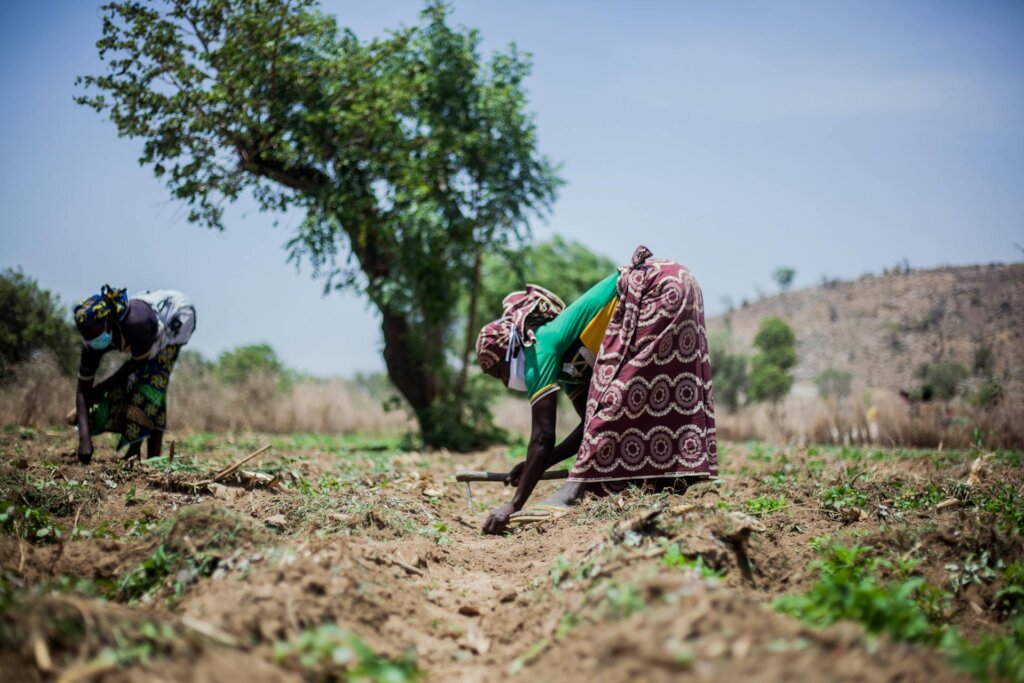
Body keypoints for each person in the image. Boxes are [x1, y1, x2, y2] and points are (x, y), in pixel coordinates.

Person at [475, 246, 716, 534]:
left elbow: (542, 437)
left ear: (509, 351)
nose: (505, 383)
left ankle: (572, 492)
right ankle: (667, 481)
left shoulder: (539, 348)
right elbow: (589, 431)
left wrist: (514, 504)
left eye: (499, 373)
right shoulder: (569, 366)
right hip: (678, 281)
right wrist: (533, 466)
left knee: (617, 399)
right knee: (657, 394)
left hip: (656, 287)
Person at [70, 286, 196, 464]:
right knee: (141, 387)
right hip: (148, 327)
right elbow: (82, 391)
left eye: (95, 333)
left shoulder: (137, 324)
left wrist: (101, 388)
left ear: (108, 322)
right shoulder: (91, 345)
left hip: (177, 316)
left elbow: (136, 364)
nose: (91, 339)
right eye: (87, 335)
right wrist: (84, 439)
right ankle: (154, 457)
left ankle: (136, 451)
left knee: (151, 383)